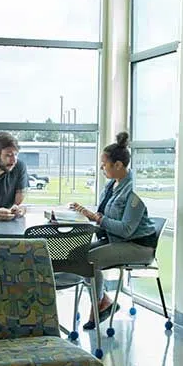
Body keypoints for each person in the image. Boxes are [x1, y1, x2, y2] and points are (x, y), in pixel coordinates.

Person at [69, 132, 158, 329]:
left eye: (104, 164)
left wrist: (97, 218)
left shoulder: (134, 189)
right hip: (114, 240)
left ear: (118, 165)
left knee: (89, 260)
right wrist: (85, 212)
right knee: (75, 254)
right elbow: (104, 215)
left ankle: (98, 304)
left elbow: (126, 229)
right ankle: (103, 301)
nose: (101, 168)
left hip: (137, 246)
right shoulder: (112, 185)